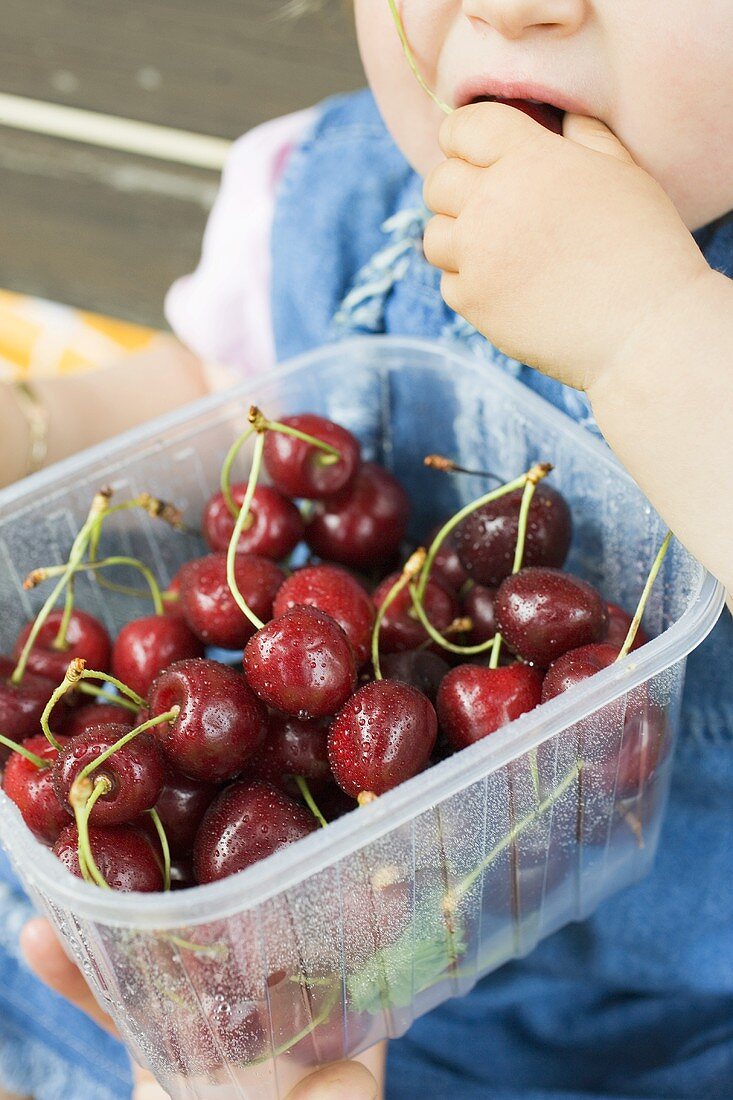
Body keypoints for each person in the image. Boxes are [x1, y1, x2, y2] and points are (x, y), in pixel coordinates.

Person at [2, 1, 733, 1097]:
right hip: (275, 924)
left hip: (612, 1039)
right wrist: (33, 424)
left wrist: (651, 326)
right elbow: (218, 406)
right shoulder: (327, 189)